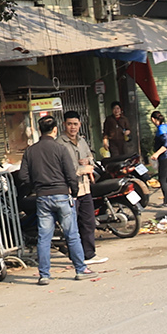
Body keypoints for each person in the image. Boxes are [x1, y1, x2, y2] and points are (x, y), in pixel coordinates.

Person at [17, 114, 88, 285]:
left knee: (44, 238)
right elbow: (70, 173)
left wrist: (35, 187)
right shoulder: (60, 149)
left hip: (42, 198)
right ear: (55, 130)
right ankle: (79, 270)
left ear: (40, 130)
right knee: (72, 235)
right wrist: (75, 191)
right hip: (63, 195)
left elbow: (23, 177)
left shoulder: (30, 151)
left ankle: (44, 275)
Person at [60, 111, 98, 262]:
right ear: (64, 125)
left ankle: (89, 254)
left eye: (75, 124)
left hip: (85, 188)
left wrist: (88, 161)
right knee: (72, 226)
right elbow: (60, 169)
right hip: (70, 190)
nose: (72, 127)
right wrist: (80, 170)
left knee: (89, 222)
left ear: (80, 125)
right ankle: (75, 257)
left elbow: (91, 159)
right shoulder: (59, 144)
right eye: (69, 124)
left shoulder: (82, 141)